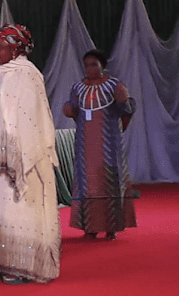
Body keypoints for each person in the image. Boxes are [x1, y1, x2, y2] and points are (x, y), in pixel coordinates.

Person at [0, 24, 60, 284]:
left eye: (1, 46)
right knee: (1, 211)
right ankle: (3, 263)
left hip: (24, 159)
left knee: (22, 211)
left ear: (16, 49)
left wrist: (19, 152)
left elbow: (32, 119)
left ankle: (26, 267)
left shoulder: (27, 74)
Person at [63, 49, 137, 241]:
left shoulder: (114, 85)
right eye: (86, 65)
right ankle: (90, 227)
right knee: (87, 183)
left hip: (109, 143)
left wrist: (119, 130)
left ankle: (111, 227)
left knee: (109, 182)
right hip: (85, 144)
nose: (90, 68)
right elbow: (75, 111)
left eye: (94, 64)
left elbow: (127, 110)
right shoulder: (78, 87)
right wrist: (69, 110)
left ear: (102, 65)